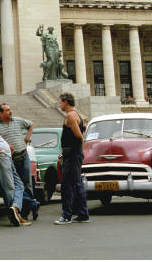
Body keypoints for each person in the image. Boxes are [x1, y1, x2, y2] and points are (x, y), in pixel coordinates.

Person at [0, 103, 39, 221]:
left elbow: (30, 125)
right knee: (15, 185)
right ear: (0, 113)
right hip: (10, 158)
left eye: (10, 109)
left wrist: (27, 138)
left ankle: (27, 211)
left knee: (27, 184)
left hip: (23, 155)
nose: (10, 112)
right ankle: (32, 205)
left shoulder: (18, 121)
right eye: (7, 110)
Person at [55, 93, 89, 224]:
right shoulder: (75, 114)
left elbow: (79, 136)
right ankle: (82, 213)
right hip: (73, 153)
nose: (59, 105)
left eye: (60, 102)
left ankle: (66, 215)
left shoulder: (71, 116)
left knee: (67, 185)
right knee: (76, 183)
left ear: (66, 102)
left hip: (73, 154)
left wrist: (79, 150)